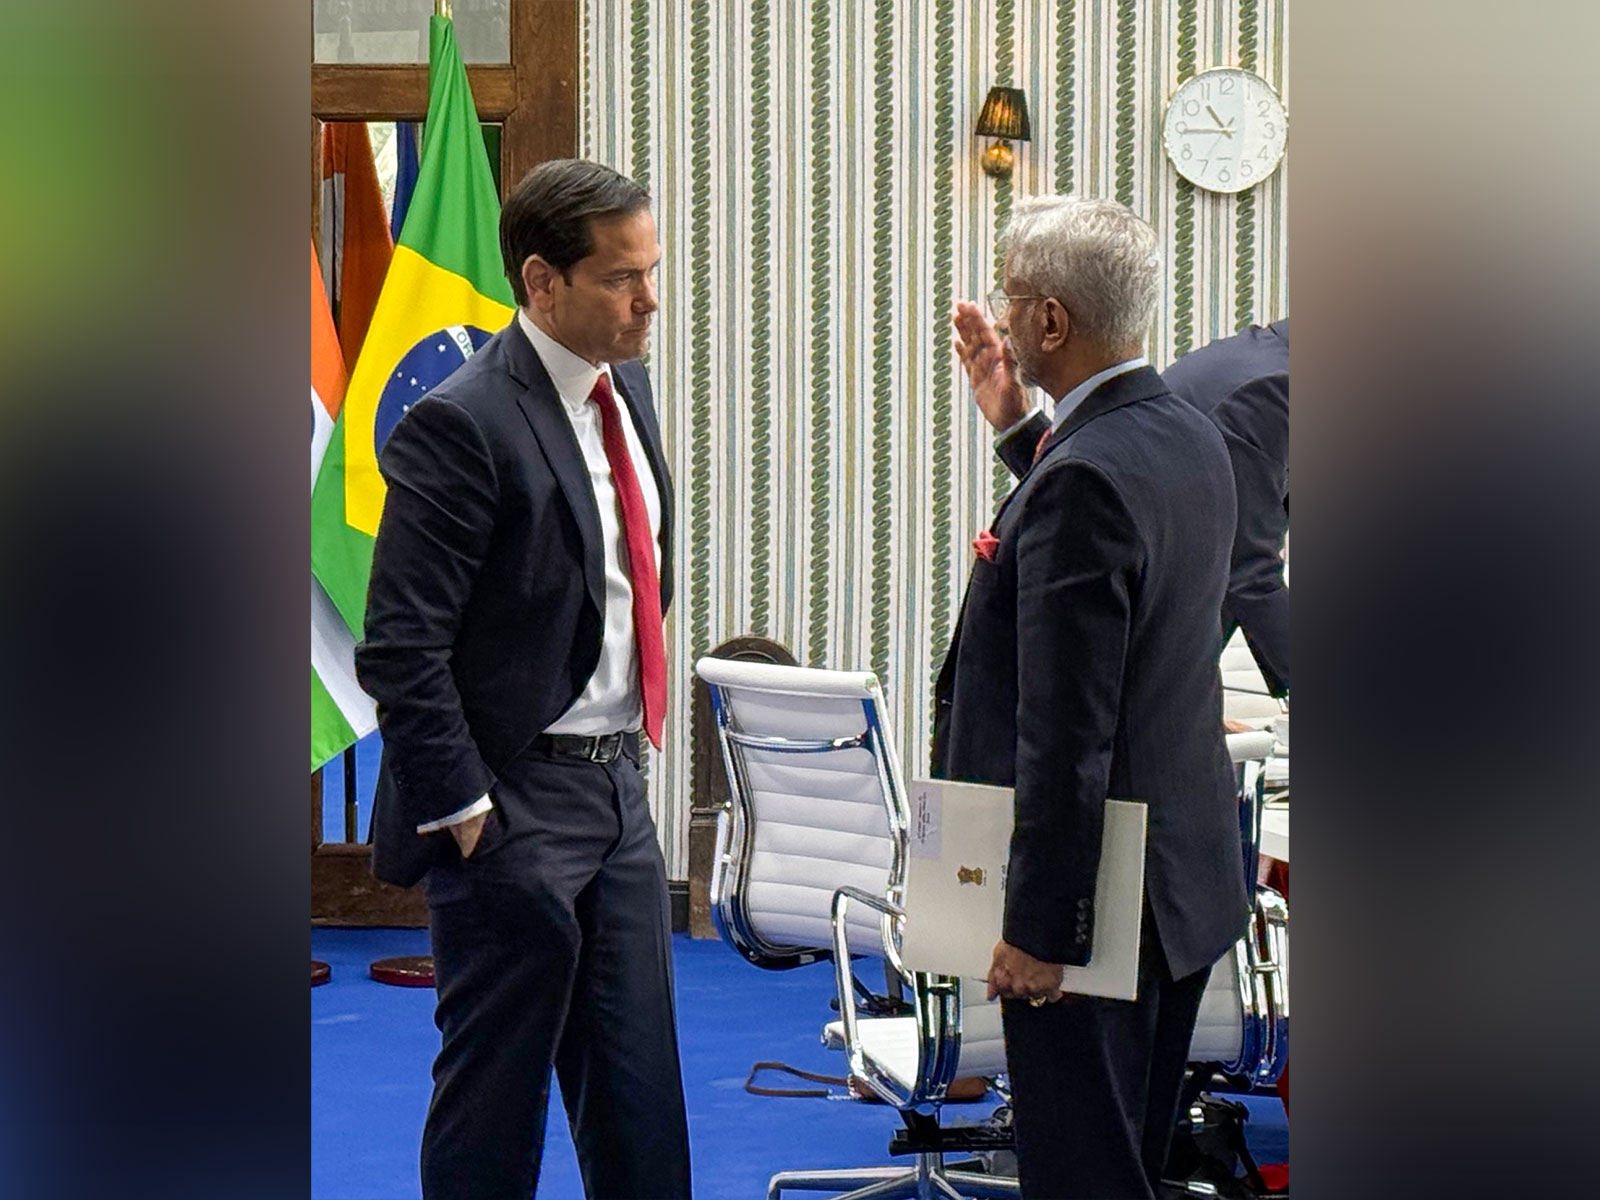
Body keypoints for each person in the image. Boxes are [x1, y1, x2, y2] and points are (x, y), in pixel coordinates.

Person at [355, 159, 691, 1200]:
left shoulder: (622, 388)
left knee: (640, 1099)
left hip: (614, 791)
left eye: (652, 270)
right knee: (496, 1102)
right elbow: (400, 646)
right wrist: (463, 810)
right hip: (508, 803)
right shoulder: (461, 423)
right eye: (621, 278)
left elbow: (623, 574)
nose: (648, 299)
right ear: (542, 283)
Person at [934, 195, 1249, 1199]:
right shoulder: (1186, 435)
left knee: (1079, 1175)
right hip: (1180, 885)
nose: (1003, 313)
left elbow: (1064, 732)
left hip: (1098, 905)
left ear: (1051, 323)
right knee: (1123, 1163)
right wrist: (1020, 429)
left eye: (1013, 297)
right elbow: (1107, 524)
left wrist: (1038, 933)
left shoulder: (1085, 480)